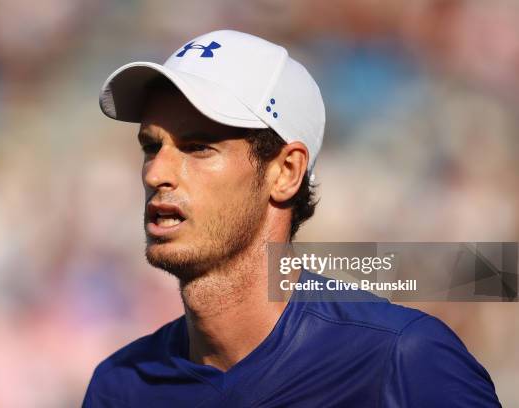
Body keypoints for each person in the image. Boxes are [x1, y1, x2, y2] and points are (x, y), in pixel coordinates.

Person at [83, 30, 500, 407]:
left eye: (198, 147)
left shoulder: (403, 358)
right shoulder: (120, 386)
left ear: (285, 173)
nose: (156, 173)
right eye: (151, 147)